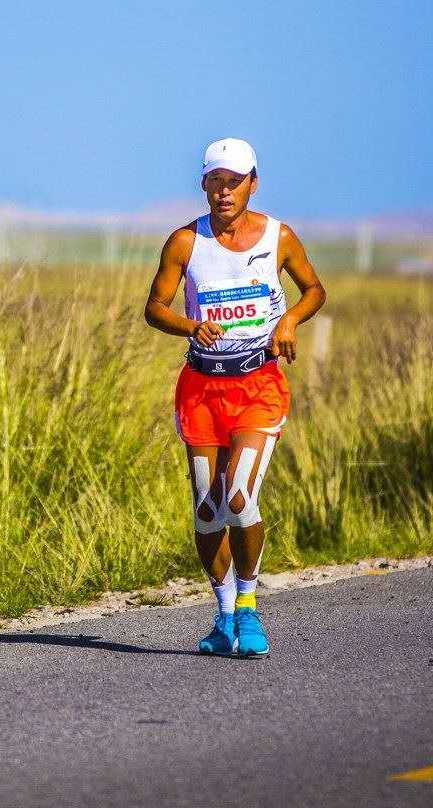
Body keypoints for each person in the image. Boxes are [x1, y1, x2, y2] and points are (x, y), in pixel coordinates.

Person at [144, 138, 326, 656]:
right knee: (207, 508)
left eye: (235, 182)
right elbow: (154, 308)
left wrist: (290, 318)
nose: (224, 193)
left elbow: (315, 289)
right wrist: (188, 326)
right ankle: (224, 616)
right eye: (215, 182)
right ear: (203, 184)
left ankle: (248, 608)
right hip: (201, 388)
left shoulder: (278, 236)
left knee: (239, 495)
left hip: (258, 384)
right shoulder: (184, 242)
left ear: (253, 183)